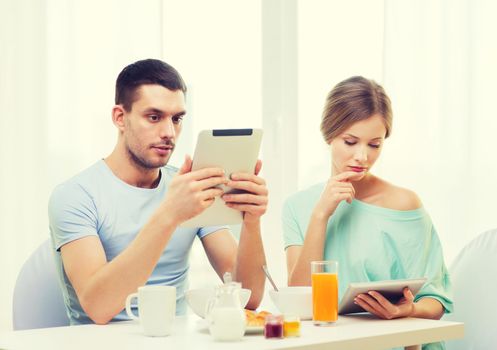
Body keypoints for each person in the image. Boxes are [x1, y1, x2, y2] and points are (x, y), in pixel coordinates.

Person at [49, 58, 267, 325]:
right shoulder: (75, 195)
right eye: (154, 117)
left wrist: (252, 221)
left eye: (177, 119)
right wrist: (170, 214)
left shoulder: (187, 187)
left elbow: (250, 298)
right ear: (120, 117)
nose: (169, 133)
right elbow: (99, 307)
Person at [282, 76, 452, 349]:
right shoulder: (298, 206)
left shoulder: (405, 204)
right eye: (351, 142)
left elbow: (436, 300)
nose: (363, 157)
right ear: (329, 134)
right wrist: (320, 216)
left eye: (375, 144)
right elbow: (300, 301)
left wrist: (407, 311)